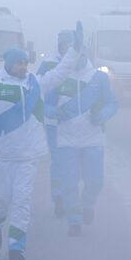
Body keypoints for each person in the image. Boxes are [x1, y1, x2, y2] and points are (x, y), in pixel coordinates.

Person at [0, 22, 83, 260]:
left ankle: (16, 248)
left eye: (24, 62)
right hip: (3, 155)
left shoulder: (36, 84)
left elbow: (61, 72)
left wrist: (75, 50)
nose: (22, 66)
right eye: (17, 63)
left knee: (22, 200)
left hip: (29, 155)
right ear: (8, 64)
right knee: (1, 199)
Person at [44, 38, 118, 237]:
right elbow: (46, 104)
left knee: (95, 181)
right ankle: (74, 221)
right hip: (66, 137)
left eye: (78, 55)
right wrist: (53, 112)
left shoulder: (99, 78)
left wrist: (102, 115)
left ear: (85, 55)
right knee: (69, 182)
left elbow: (112, 103)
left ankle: (88, 204)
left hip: (92, 137)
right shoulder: (60, 77)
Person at [36, 29, 75, 217]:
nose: (68, 47)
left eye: (72, 44)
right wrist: (49, 110)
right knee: (59, 161)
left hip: (76, 123)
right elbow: (36, 91)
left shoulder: (83, 64)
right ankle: (59, 197)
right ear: (60, 45)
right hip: (54, 122)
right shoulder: (48, 64)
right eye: (65, 44)